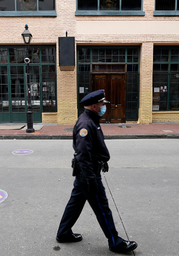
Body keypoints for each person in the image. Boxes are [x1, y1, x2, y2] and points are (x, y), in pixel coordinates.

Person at [56, 89, 138, 254]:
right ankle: (115, 241)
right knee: (102, 207)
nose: (104, 107)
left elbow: (91, 149)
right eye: (102, 104)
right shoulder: (86, 124)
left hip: (87, 172)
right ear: (94, 106)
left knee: (75, 203)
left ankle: (63, 233)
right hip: (88, 173)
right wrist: (91, 178)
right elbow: (83, 154)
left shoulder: (91, 119)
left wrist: (101, 161)